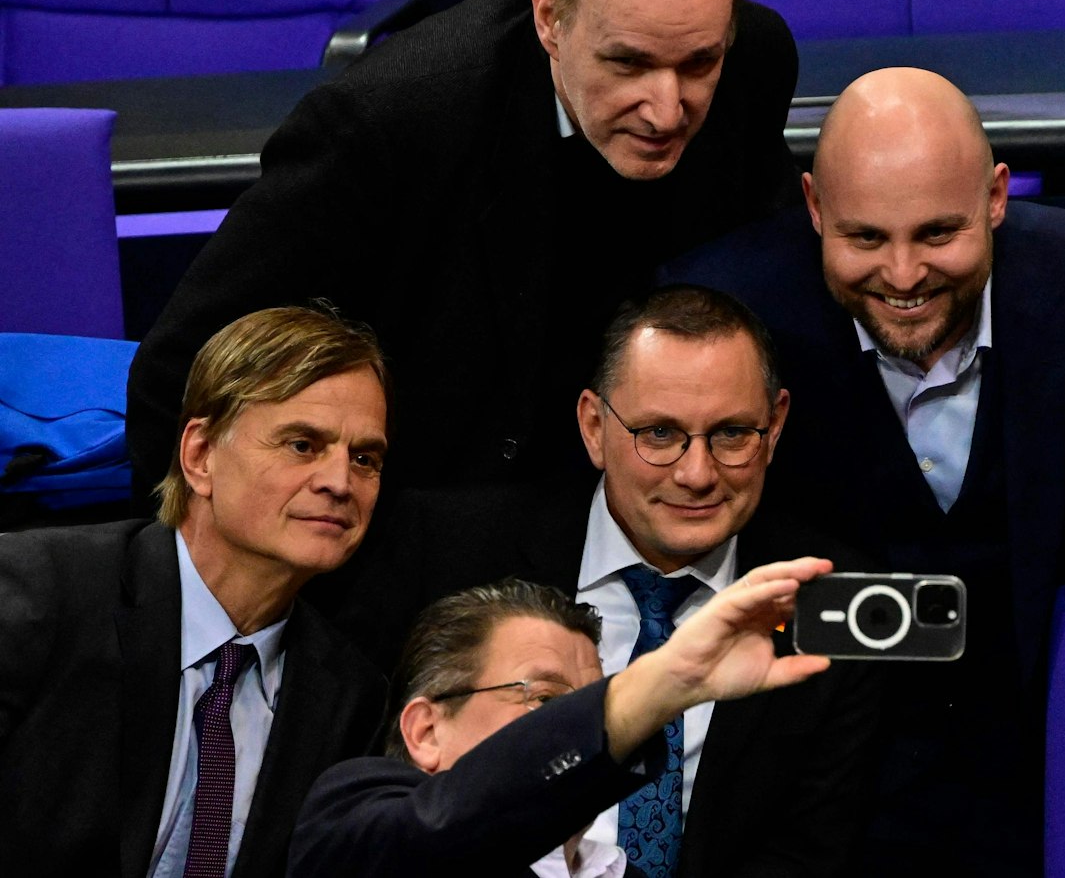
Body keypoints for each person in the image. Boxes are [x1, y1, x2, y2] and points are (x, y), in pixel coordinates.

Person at [127, 0, 802, 499]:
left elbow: (765, 286)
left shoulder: (753, 62)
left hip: (648, 485)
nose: (666, 109)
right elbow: (179, 374)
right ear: (550, 18)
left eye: (697, 64)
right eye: (628, 63)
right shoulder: (391, 123)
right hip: (438, 506)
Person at [659, 66, 1065, 873]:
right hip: (820, 779)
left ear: (997, 197)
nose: (902, 275)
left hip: (1054, 764)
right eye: (863, 239)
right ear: (814, 207)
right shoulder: (722, 315)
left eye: (936, 234)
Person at [334, 284, 880, 877]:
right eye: (659, 434)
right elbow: (364, 804)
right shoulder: (447, 550)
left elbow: (809, 855)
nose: (697, 474)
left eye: (731, 433)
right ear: (594, 426)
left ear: (774, 427)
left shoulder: (828, 600)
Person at [0, 306, 389, 877]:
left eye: (365, 458)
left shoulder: (351, 697)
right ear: (200, 455)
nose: (340, 482)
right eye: (302, 445)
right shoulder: (38, 593)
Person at [292, 565, 837, 877]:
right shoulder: (354, 821)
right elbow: (438, 835)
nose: (578, 728)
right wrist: (665, 681)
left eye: (588, 701)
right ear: (426, 731)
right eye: (547, 701)